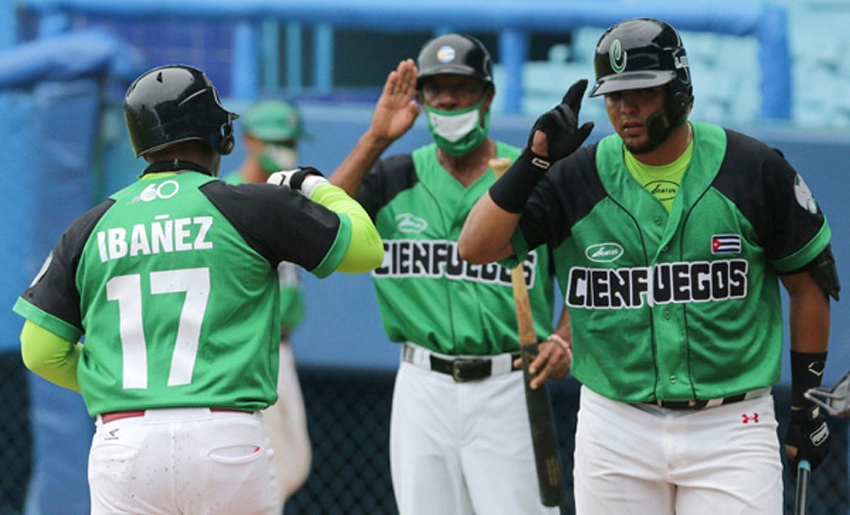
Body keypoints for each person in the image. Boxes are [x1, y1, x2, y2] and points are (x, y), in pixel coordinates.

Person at [458, 17, 839, 514]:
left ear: (680, 90)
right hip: (616, 426)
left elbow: (809, 285)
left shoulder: (753, 168)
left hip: (732, 426)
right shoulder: (576, 177)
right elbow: (475, 247)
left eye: (642, 90)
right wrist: (534, 163)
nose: (625, 108)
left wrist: (806, 403)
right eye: (613, 96)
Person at [13, 64, 383, 514]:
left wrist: (118, 381)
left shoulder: (89, 226)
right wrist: (314, 185)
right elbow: (365, 250)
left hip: (124, 440)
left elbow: (39, 351)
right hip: (224, 437)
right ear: (219, 135)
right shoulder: (250, 205)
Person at [330, 33, 572, 515]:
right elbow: (317, 223)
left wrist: (564, 339)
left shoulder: (528, 176)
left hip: (509, 379)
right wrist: (376, 138)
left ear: (487, 97)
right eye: (435, 88)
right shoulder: (394, 176)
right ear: (420, 99)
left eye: (460, 87)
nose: (447, 99)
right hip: (422, 383)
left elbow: (587, 275)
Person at [221, 98, 313, 506]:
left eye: (290, 139)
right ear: (249, 140)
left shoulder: (289, 195)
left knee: (292, 465)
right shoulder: (228, 197)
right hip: (246, 353)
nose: (284, 147)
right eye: (275, 139)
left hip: (281, 348)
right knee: (262, 473)